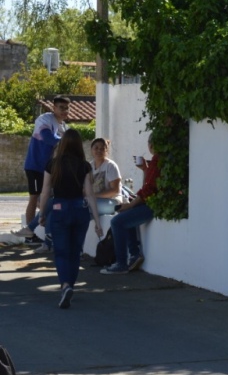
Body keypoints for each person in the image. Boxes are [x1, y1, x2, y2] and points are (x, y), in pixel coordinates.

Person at [37, 129, 103, 309]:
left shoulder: (52, 164)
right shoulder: (84, 166)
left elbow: (45, 192)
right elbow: (89, 195)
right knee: (75, 252)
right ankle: (70, 286)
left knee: (61, 252)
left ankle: (65, 285)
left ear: (63, 144)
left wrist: (42, 214)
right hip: (79, 210)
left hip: (59, 210)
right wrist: (97, 222)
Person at [14, 95, 70, 244]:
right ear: (54, 108)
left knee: (48, 200)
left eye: (66, 108)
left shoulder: (64, 127)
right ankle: (29, 235)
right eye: (61, 108)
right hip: (36, 166)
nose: (64, 111)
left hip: (50, 169)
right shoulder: (44, 120)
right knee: (35, 197)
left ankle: (43, 232)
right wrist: (68, 140)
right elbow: (48, 139)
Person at [101, 137, 159, 275]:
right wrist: (145, 169)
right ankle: (134, 254)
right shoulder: (156, 161)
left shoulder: (158, 161)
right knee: (123, 217)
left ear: (150, 145)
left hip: (152, 205)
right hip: (151, 202)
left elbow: (148, 190)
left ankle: (121, 263)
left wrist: (131, 205)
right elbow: (147, 187)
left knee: (116, 222)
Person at [89, 138, 124, 215]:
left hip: (112, 201)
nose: (99, 151)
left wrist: (94, 196)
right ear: (91, 150)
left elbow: (115, 190)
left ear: (106, 151)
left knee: (87, 206)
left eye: (102, 148)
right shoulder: (89, 166)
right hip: (96, 201)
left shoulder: (111, 166)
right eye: (96, 148)